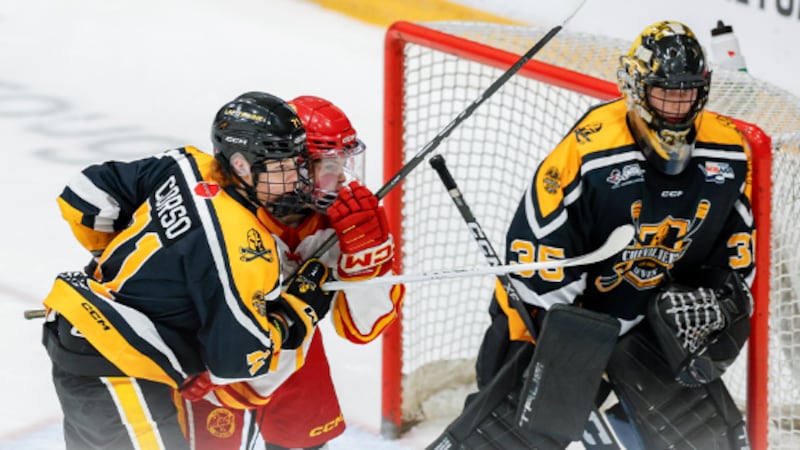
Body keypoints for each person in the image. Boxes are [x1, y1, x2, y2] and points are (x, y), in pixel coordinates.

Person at [429, 21, 755, 450]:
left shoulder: (728, 153)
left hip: (651, 327)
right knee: (515, 434)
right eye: (664, 91)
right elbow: (537, 260)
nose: (677, 104)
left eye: (687, 91)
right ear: (637, 90)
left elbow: (736, 256)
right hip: (555, 321)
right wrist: (578, 341)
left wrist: (718, 304)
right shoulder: (591, 152)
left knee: (703, 441)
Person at [39, 91, 381, 450]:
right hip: (117, 365)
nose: (295, 178)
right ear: (242, 165)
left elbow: (84, 195)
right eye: (282, 167)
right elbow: (238, 361)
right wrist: (300, 307)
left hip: (82, 332)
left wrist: (116, 267)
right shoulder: (243, 241)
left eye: (297, 165)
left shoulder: (186, 163)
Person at [174, 95, 404, 450]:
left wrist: (366, 260)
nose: (340, 177)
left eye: (343, 163)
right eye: (327, 165)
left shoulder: (351, 220)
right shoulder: (218, 211)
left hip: (293, 348)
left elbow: (362, 329)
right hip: (216, 355)